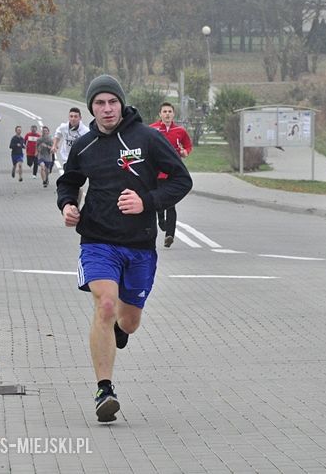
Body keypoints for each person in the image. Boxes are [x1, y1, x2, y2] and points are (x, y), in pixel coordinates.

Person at [56, 75, 192, 423]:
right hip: (98, 241)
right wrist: (68, 204)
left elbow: (181, 179)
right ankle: (105, 390)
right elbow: (69, 181)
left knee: (128, 322)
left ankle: (119, 327)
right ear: (91, 108)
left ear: (121, 103)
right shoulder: (84, 146)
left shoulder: (147, 138)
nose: (106, 109)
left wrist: (147, 201)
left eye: (111, 102)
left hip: (139, 246)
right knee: (104, 304)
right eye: (99, 104)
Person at [149, 102, 192, 248]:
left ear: (173, 114)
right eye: (164, 111)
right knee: (159, 203)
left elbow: (187, 146)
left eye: (170, 111)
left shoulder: (180, 130)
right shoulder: (152, 129)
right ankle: (161, 221)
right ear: (160, 114)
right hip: (157, 173)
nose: (167, 114)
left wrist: (184, 152)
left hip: (173, 173)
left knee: (171, 204)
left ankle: (169, 235)